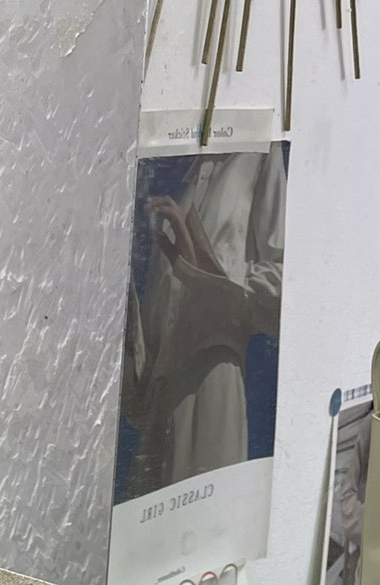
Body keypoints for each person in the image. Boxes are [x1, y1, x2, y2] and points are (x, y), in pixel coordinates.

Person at [121, 149, 284, 500]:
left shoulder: (259, 156)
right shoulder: (186, 189)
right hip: (161, 405)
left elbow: (286, 286)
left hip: (212, 377)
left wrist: (200, 267)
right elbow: (138, 397)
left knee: (206, 519)